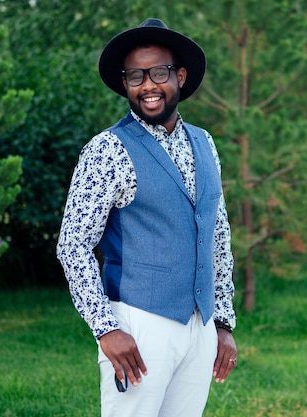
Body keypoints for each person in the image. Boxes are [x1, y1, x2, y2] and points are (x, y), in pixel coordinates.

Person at [56, 18, 237, 417]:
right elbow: (73, 245)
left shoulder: (205, 143)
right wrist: (106, 327)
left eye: (158, 72)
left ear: (180, 76)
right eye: (135, 76)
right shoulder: (107, 149)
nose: (148, 85)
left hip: (200, 326)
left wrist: (221, 323)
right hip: (139, 324)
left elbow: (218, 236)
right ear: (125, 83)